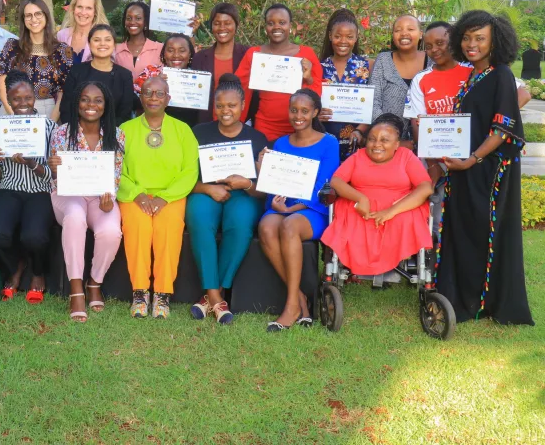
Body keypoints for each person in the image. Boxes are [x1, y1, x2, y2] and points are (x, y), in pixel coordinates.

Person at [438, 10, 533, 325]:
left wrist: (474, 158)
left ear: (495, 41)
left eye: (480, 38)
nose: (470, 44)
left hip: (487, 168)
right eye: (466, 37)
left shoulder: (501, 74)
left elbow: (502, 128)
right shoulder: (473, 75)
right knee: (464, 228)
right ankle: (460, 294)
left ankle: (480, 301)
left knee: (482, 232)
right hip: (466, 166)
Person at [186, 74, 267, 324]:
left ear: (243, 105)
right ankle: (216, 296)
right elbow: (183, 176)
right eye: (220, 105)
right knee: (198, 218)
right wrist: (207, 189)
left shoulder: (258, 139)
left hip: (243, 194)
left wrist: (248, 183)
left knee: (241, 224)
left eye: (232, 105)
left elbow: (262, 190)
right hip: (205, 191)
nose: (225, 111)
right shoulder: (198, 133)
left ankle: (213, 294)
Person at [257, 88, 339, 332]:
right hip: (283, 206)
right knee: (266, 226)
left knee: (289, 225)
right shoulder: (281, 143)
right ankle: (301, 298)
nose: (298, 115)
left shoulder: (329, 143)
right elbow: (275, 184)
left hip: (313, 210)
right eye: (294, 110)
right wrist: (273, 198)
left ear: (315, 112)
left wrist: (295, 206)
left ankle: (291, 305)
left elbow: (325, 186)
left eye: (304, 111)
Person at [117, 76, 199, 319]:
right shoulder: (125, 129)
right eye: (148, 92)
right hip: (134, 195)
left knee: (167, 231)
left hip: (171, 196)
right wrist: (137, 194)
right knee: (138, 228)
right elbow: (116, 169)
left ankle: (162, 294)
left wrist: (164, 198)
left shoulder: (182, 130)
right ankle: (140, 293)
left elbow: (190, 171)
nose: (153, 97)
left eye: (159, 93)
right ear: (140, 97)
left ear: (168, 99)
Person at [49, 80, 125, 322]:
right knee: (74, 217)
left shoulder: (117, 134)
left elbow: (116, 174)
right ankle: (76, 289)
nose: (91, 105)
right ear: (77, 102)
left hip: (100, 197)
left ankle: (95, 282)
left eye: (97, 100)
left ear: (106, 105)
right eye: (85, 99)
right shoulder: (62, 132)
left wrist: (108, 200)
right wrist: (53, 168)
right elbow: (56, 178)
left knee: (111, 231)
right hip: (67, 194)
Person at [322, 114, 433, 275]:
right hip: (361, 207)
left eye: (384, 140)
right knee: (350, 217)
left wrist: (390, 211)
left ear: (396, 144)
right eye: (372, 139)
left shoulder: (406, 157)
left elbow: (425, 188)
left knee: (404, 219)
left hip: (399, 209)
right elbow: (337, 181)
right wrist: (360, 198)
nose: (376, 145)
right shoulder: (358, 156)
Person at [0, 71, 56, 303]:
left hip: (40, 190)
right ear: (9, 100)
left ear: (34, 98)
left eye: (27, 98)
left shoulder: (50, 127)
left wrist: (33, 163)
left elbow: (52, 176)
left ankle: (37, 272)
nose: (22, 103)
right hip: (9, 187)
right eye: (16, 99)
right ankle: (15, 266)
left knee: (34, 236)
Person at [234, 4, 323, 142]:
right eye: (271, 23)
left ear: (290, 26)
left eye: (282, 22)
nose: (276, 27)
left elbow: (316, 93)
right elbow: (239, 90)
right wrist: (235, 124)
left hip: (298, 126)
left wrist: (309, 78)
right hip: (265, 126)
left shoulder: (306, 54)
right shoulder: (255, 54)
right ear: (265, 27)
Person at [0, 0, 73, 120]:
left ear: (46, 16)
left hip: (46, 110)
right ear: (24, 20)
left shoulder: (61, 51)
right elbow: (1, 86)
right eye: (28, 15)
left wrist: (50, 124)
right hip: (11, 109)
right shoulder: (12, 47)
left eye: (38, 14)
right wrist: (15, 117)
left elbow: (63, 92)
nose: (33, 19)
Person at [317, 9, 371, 161]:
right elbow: (309, 102)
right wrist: (316, 115)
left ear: (356, 37)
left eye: (349, 37)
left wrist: (360, 131)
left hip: (357, 142)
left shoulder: (367, 67)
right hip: (325, 139)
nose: (343, 41)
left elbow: (374, 105)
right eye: (337, 36)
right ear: (330, 36)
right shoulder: (318, 67)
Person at [60, 24, 134, 124]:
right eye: (97, 40)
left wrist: (105, 134)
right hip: (77, 134)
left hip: (112, 135)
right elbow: (66, 109)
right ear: (89, 44)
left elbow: (124, 114)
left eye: (107, 40)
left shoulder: (125, 76)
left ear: (114, 44)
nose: (102, 44)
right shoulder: (76, 71)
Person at [369, 15, 427, 143]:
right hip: (387, 143)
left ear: (421, 34)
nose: (404, 33)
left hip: (429, 142)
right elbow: (373, 101)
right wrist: (390, 137)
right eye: (398, 30)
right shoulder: (383, 60)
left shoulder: (432, 61)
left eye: (410, 29)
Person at [191, 2, 251, 123]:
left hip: (241, 125)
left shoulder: (249, 55)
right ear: (211, 26)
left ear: (236, 25)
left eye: (227, 23)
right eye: (217, 23)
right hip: (207, 125)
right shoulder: (200, 58)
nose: (222, 28)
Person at [133, 34, 200, 126]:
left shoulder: (198, 78)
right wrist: (154, 83)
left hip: (187, 130)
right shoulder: (150, 72)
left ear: (190, 54)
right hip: (152, 129)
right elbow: (134, 102)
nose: (176, 55)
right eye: (170, 50)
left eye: (182, 51)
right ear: (163, 53)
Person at [57, 0, 110, 65]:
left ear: (95, 12)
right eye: (80, 7)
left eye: (88, 8)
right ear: (73, 9)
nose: (83, 12)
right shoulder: (61, 36)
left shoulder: (104, 39)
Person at [114, 1, 162, 78]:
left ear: (145, 22)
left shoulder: (159, 49)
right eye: (129, 18)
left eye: (138, 18)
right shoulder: (115, 50)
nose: (132, 22)